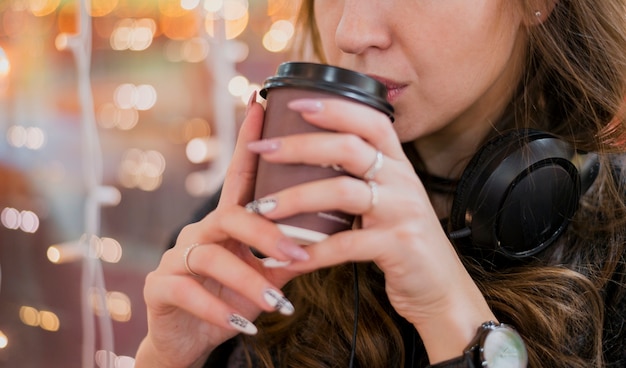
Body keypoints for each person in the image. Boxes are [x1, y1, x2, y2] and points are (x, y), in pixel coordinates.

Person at [135, 0, 626, 367]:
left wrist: (449, 314)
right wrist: (168, 358)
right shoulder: (252, 228)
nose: (352, 33)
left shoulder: (618, 246)